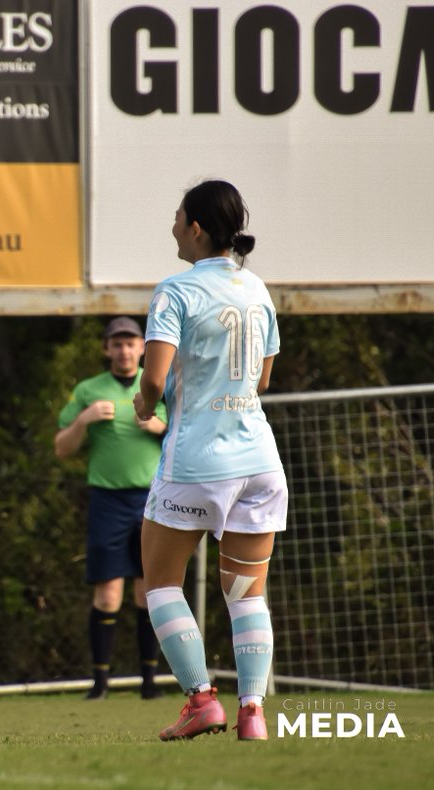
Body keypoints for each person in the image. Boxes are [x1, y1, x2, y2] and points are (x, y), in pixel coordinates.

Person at [133, 179, 286, 742]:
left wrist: (146, 404)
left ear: (196, 228)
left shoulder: (175, 291)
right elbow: (264, 378)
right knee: (247, 592)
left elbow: (153, 376)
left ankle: (201, 700)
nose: (173, 226)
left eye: (178, 218)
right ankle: (253, 712)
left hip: (196, 461)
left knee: (161, 584)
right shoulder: (257, 287)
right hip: (260, 462)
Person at [55, 316, 167, 700]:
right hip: (108, 500)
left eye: (130, 342)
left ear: (143, 348)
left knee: (149, 592)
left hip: (154, 499)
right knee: (107, 595)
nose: (123, 349)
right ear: (106, 349)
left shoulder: (157, 385)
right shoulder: (89, 390)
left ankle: (149, 683)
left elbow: (186, 431)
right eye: (116, 343)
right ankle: (100, 683)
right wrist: (83, 421)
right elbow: (61, 448)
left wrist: (159, 427)